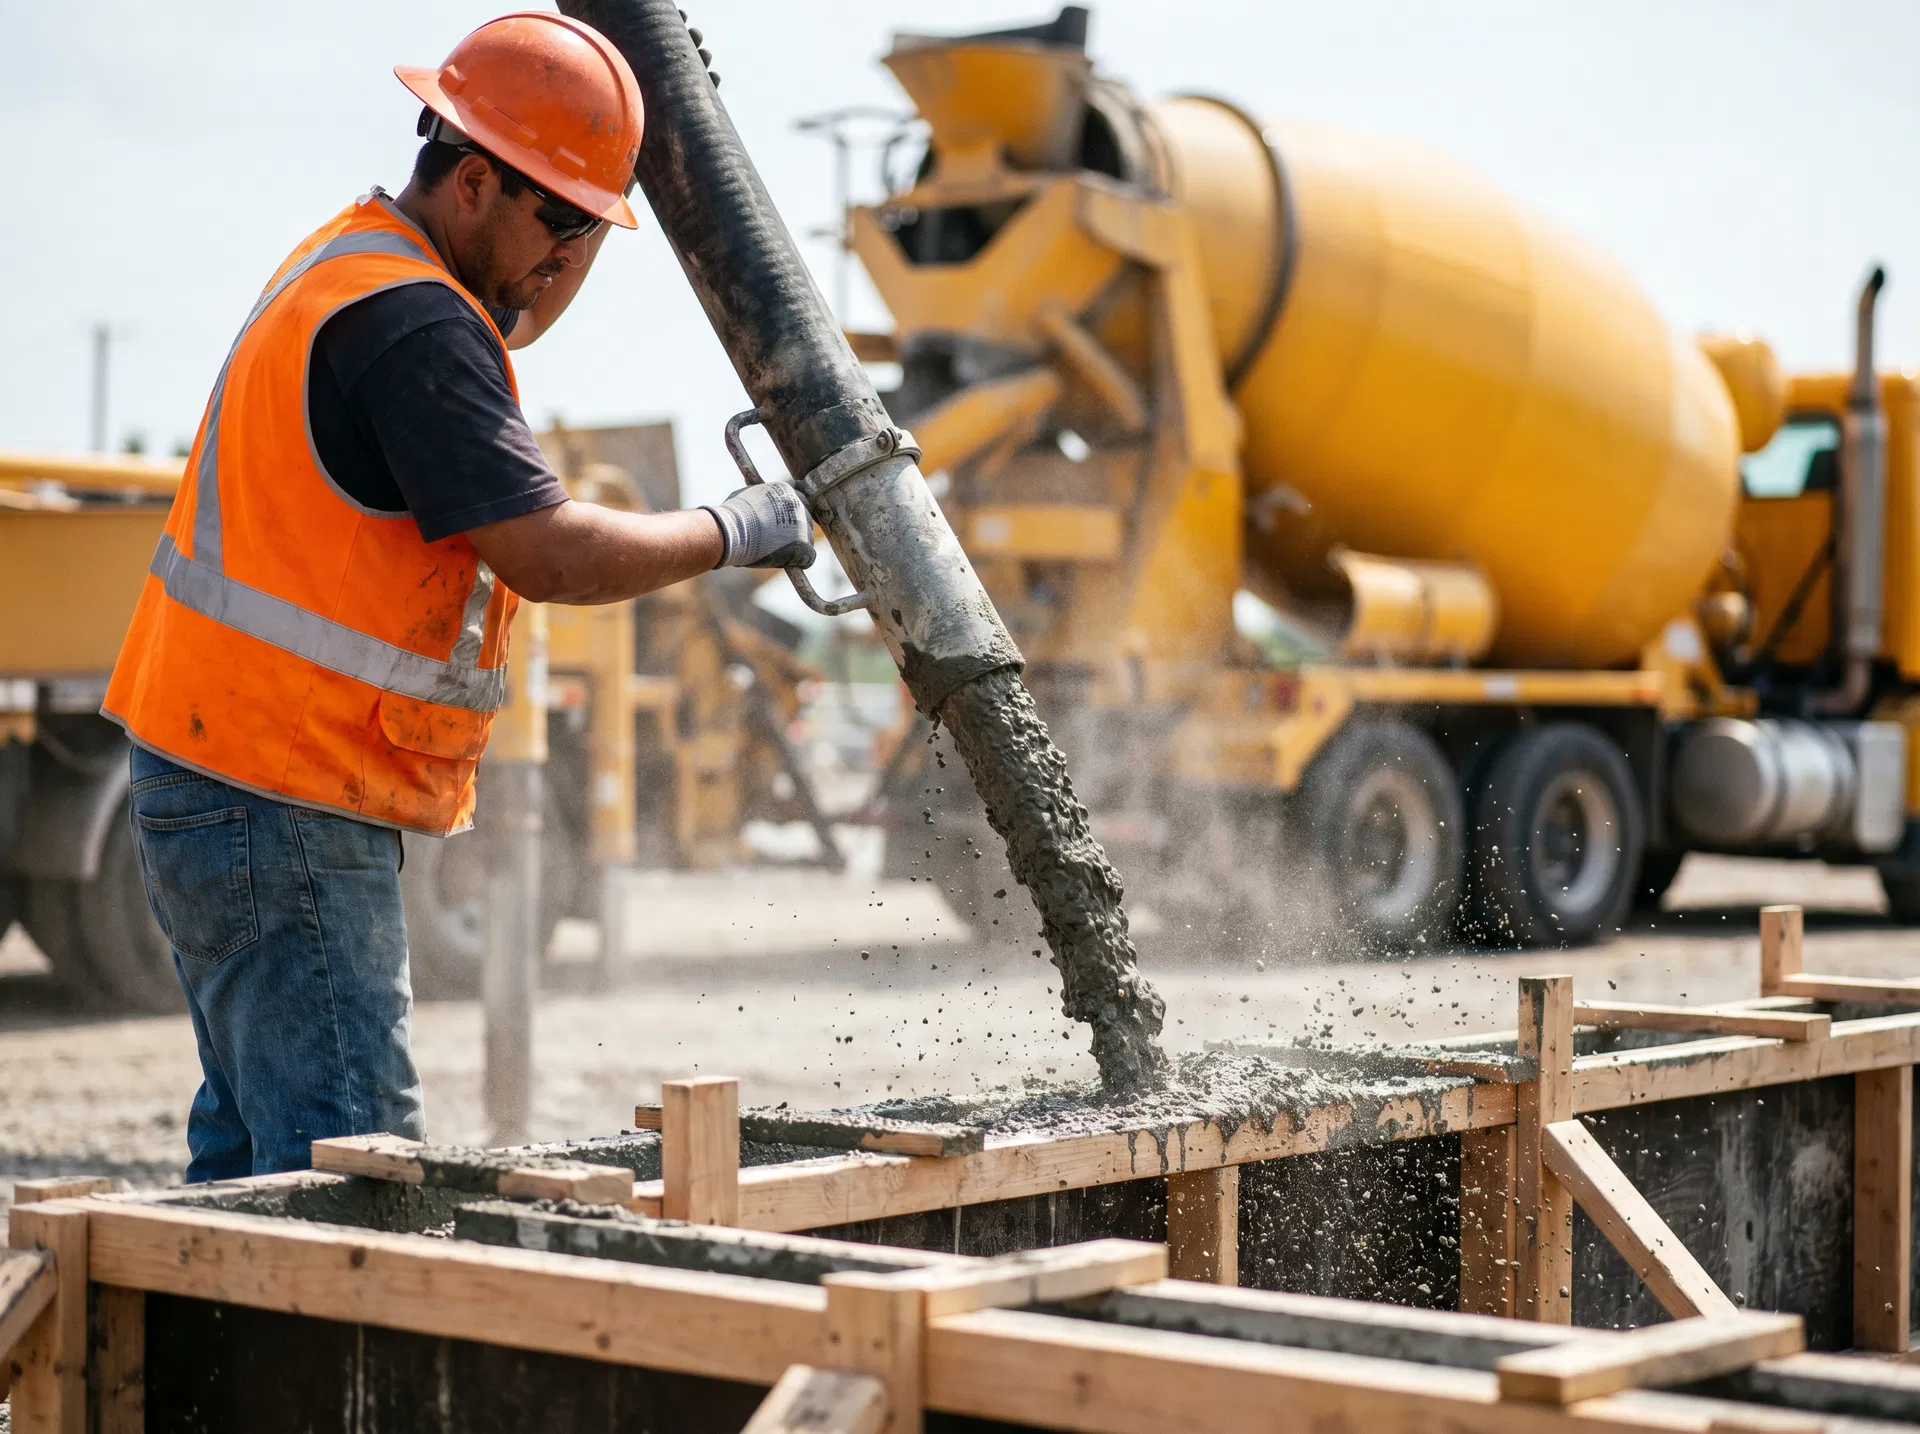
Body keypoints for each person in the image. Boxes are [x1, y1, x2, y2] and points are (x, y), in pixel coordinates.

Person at [103, 13, 811, 1181]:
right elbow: (551, 553)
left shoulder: (354, 267)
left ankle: (196, 1367)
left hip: (228, 771)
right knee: (353, 1181)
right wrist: (735, 530)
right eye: (564, 224)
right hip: (282, 788)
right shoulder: (416, 321)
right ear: (476, 179)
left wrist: (549, 256)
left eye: (591, 233)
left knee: (253, 1169)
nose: (569, 261)